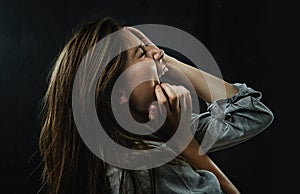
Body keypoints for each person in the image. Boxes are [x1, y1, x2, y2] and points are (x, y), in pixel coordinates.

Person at [38, 17, 274, 194]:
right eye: (142, 54)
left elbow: (252, 112)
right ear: (118, 92)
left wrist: (167, 61)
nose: (157, 54)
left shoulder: (153, 131)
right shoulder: (143, 170)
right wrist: (187, 146)